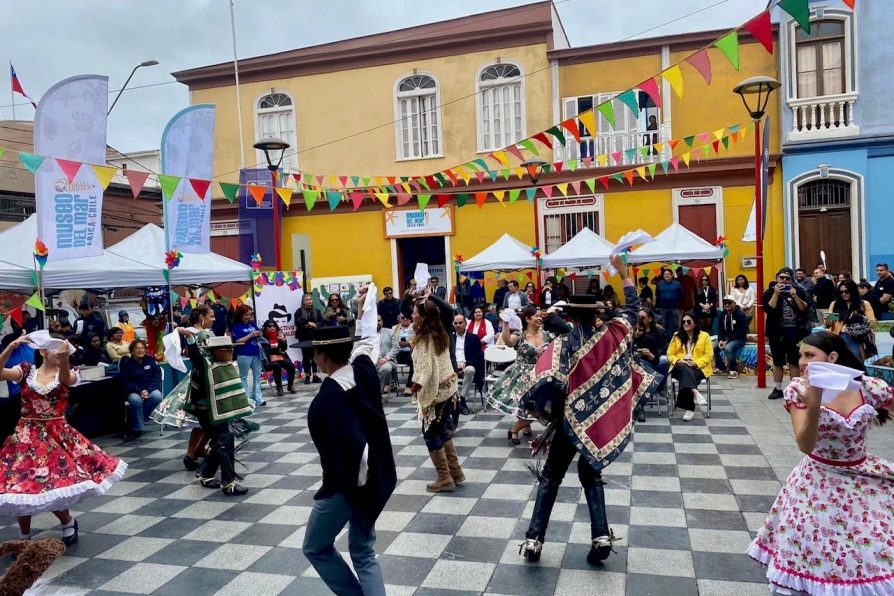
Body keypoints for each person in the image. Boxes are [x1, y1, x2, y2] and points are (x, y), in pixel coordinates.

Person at [517, 255, 659, 565]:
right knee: (590, 476)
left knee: (551, 477)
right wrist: (623, 275)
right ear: (595, 314)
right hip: (597, 425)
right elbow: (633, 308)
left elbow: (542, 381)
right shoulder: (613, 337)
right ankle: (601, 537)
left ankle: (533, 540)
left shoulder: (561, 344)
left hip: (568, 423)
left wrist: (549, 413)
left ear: (571, 315)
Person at [747, 332, 893, 595]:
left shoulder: (866, 386)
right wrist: (813, 405)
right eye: (801, 355)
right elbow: (805, 444)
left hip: (862, 476)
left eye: (809, 355)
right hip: (817, 482)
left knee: (871, 549)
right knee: (815, 548)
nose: (802, 362)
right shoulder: (798, 390)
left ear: (833, 357)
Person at [300, 288, 397, 596]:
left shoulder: (328, 400)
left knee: (315, 546)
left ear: (322, 357)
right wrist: (361, 307)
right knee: (363, 550)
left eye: (314, 352)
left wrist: (357, 495)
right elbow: (366, 343)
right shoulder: (364, 371)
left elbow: (354, 450)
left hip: (351, 487)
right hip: (381, 475)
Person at [0, 335, 126, 544]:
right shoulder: (25, 371)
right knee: (19, 486)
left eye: (61, 350)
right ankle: (24, 535)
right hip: (26, 437)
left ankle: (67, 522)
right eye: (54, 349)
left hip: (56, 436)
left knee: (53, 484)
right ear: (42, 352)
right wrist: (11, 347)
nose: (58, 353)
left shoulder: (69, 373)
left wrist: (65, 357)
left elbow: (65, 379)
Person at [175, 331, 255, 496]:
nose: (230, 351)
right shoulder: (205, 365)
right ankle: (228, 483)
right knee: (225, 440)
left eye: (231, 348)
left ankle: (206, 474)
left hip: (219, 412)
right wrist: (189, 338)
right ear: (216, 351)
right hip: (206, 412)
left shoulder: (225, 365)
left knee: (222, 442)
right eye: (227, 349)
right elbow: (195, 357)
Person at [151, 304, 214, 471]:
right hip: (204, 380)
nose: (213, 320)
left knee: (204, 421)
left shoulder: (190, 332)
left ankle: (195, 451)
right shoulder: (203, 334)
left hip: (198, 378)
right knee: (208, 419)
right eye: (211, 316)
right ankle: (195, 452)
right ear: (202, 317)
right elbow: (205, 357)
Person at [410, 298, 463, 493]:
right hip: (448, 388)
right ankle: (455, 472)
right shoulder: (440, 332)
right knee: (442, 430)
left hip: (436, 393)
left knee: (430, 433)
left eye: (415, 313)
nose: (412, 316)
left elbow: (425, 370)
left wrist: (415, 385)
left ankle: (444, 477)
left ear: (423, 317)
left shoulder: (425, 339)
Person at [487, 306, 553, 442]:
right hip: (521, 375)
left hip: (540, 375)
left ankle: (519, 427)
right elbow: (508, 342)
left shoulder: (548, 335)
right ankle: (516, 429)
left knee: (538, 406)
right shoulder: (520, 335)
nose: (540, 318)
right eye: (536, 316)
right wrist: (505, 324)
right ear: (528, 319)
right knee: (525, 405)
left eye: (541, 316)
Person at [763, 268, 810, 400]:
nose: (784, 281)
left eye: (787, 278)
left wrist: (795, 296)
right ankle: (777, 388)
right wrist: (776, 294)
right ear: (777, 278)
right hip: (776, 332)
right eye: (781, 278)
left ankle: (793, 389)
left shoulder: (799, 291)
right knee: (777, 361)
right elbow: (768, 309)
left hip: (795, 331)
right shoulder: (769, 292)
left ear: (792, 280)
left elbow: (804, 308)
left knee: (793, 361)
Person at [667, 314, 713, 421]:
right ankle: (696, 393)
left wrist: (696, 363)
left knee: (688, 375)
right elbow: (669, 354)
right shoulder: (676, 336)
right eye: (683, 322)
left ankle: (690, 408)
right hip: (679, 365)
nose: (686, 324)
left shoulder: (704, 336)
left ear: (695, 323)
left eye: (688, 321)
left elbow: (709, 356)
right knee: (683, 368)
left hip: (698, 367)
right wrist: (679, 360)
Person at [118, 339, 162, 442]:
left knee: (157, 396)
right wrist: (140, 391)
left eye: (142, 348)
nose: (140, 350)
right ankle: (137, 429)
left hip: (149, 389)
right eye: (137, 348)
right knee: (135, 400)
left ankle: (141, 419)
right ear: (132, 351)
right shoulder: (127, 364)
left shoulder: (150, 360)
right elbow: (126, 382)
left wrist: (148, 390)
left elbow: (156, 377)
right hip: (134, 390)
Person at [824, 279, 876, 361]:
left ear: (852, 290)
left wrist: (854, 330)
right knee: (840, 363)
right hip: (838, 337)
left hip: (855, 338)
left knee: (856, 362)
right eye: (841, 292)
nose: (844, 294)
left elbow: (871, 322)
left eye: (846, 291)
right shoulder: (835, 304)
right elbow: (830, 322)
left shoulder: (863, 304)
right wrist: (828, 320)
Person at [231, 304, 265, 407]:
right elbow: (237, 341)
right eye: (246, 315)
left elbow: (258, 333)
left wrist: (259, 333)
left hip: (256, 352)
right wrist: (251, 335)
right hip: (244, 353)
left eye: (250, 315)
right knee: (243, 376)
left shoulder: (252, 323)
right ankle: (246, 399)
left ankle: (258, 398)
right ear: (240, 315)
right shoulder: (236, 326)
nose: (249, 317)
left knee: (257, 376)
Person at [452, 313, 484, 418]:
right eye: (455, 323)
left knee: (470, 370)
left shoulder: (474, 338)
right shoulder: (450, 338)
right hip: (452, 366)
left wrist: (466, 364)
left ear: (466, 324)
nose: (458, 325)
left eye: (460, 323)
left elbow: (479, 356)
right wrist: (454, 366)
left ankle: (462, 398)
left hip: (468, 365)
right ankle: (449, 402)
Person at [714, 296, 748, 379]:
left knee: (728, 348)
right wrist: (721, 339)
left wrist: (727, 341)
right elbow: (720, 329)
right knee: (713, 347)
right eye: (725, 303)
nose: (727, 304)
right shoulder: (722, 314)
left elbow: (741, 331)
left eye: (729, 302)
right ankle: (721, 367)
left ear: (734, 303)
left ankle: (733, 370)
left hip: (739, 339)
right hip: (725, 339)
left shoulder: (741, 314)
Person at [260, 319, 297, 396]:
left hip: (280, 357)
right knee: (277, 366)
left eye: (274, 326)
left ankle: (290, 385)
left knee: (291, 365)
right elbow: (264, 351)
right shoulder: (263, 338)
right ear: (266, 328)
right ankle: (279, 387)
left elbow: (284, 349)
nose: (272, 327)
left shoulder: (280, 335)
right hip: (269, 359)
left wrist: (283, 341)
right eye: (269, 326)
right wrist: (275, 351)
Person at [295, 293, 325, 385]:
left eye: (310, 299)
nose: (309, 301)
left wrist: (315, 325)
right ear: (303, 302)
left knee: (314, 356)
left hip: (315, 336)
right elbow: (298, 322)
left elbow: (321, 322)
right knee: (306, 357)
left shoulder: (317, 311)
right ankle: (307, 375)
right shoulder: (299, 312)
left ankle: (315, 375)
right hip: (304, 337)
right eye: (307, 300)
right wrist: (308, 323)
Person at [654, 268, 683, 344]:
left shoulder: (677, 284)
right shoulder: (659, 284)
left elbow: (681, 295)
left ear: (671, 275)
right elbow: (657, 295)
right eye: (665, 274)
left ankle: (677, 339)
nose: (666, 275)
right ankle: (664, 341)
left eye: (668, 274)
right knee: (663, 324)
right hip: (663, 308)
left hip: (675, 308)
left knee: (676, 324)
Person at [374, 315, 399, 393]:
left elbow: (396, 348)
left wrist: (386, 358)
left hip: (385, 360)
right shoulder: (366, 334)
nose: (376, 323)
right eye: (374, 320)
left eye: (378, 320)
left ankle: (378, 394)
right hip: (370, 360)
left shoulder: (390, 332)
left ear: (382, 322)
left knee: (386, 368)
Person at [395, 314, 415, 397]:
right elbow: (391, 342)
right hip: (397, 352)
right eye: (403, 317)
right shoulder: (394, 328)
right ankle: (389, 383)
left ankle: (409, 385)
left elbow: (418, 341)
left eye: (407, 317)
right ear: (399, 319)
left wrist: (409, 343)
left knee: (413, 361)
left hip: (410, 351)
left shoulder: (415, 327)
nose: (406, 319)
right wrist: (398, 343)